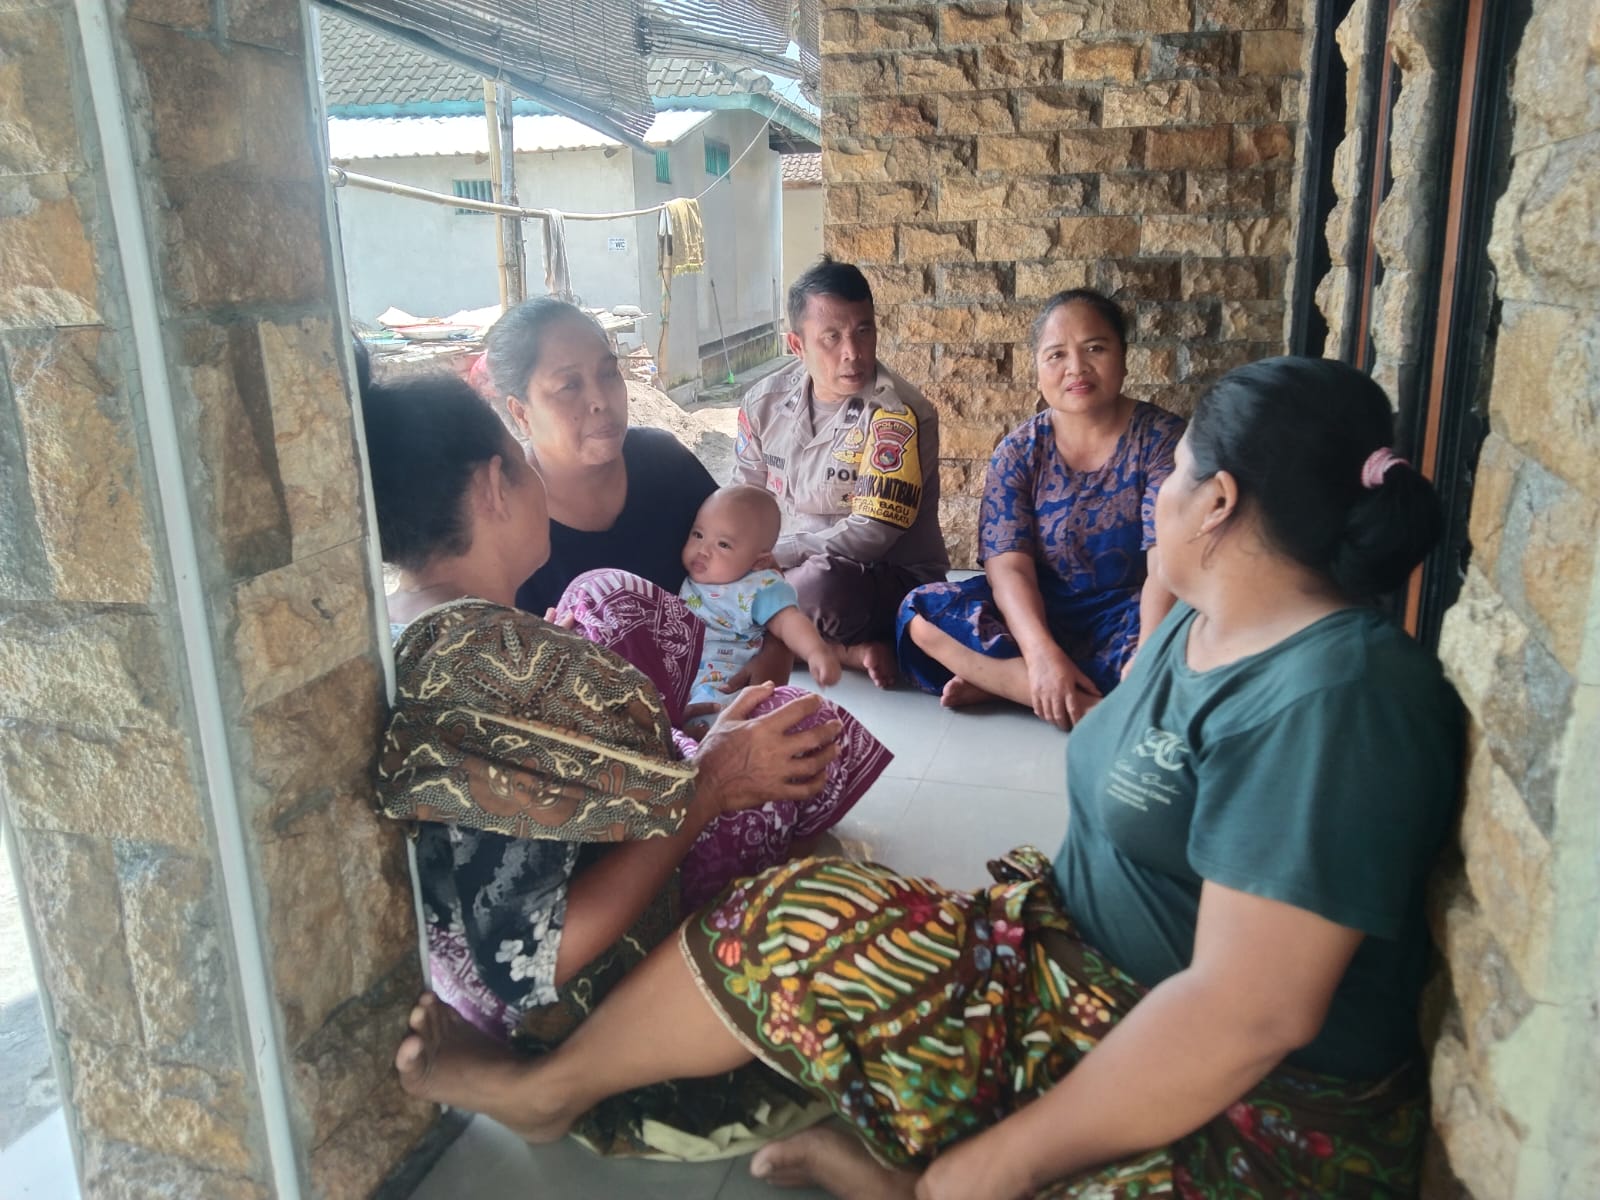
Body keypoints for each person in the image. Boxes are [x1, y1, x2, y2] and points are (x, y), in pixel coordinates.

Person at [393, 356, 1464, 1200]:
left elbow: (1245, 1019)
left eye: (1174, 477)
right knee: (792, 917)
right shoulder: (1203, 622)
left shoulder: (1338, 701)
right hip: (1066, 972)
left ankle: (923, 1169)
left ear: (1218, 502)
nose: (1157, 497)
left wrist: (979, 1175)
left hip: (1253, 1107)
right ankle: (553, 1092)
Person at [365, 371, 890, 1156]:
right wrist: (713, 782)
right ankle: (562, 1085)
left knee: (613, 602)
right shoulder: (510, 666)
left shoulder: (397, 632)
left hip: (469, 981)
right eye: (523, 460)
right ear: (492, 486)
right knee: (837, 898)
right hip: (570, 1007)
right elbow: (535, 955)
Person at [897, 289, 1184, 730]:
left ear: (1124, 358)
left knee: (1192, 640)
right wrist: (1041, 653)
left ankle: (1006, 683)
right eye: (1056, 355)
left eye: (1095, 348)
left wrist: (1149, 650)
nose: (1076, 368)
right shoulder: (1018, 451)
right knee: (921, 615)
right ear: (1037, 369)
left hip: (1132, 610)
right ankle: (1087, 709)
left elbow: (1167, 559)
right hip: (1043, 607)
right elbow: (1008, 567)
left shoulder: (1164, 440)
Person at [482, 296, 792, 690]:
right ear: (521, 412)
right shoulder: (504, 529)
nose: (601, 400)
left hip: (722, 701)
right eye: (569, 385)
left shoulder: (666, 465)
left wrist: (777, 649)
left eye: (609, 373)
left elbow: (758, 565)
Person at [733, 257, 949, 687]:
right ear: (797, 345)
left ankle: (778, 638)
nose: (853, 352)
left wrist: (778, 557)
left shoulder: (897, 413)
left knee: (819, 586)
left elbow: (872, 535)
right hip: (780, 568)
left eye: (863, 331)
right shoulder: (763, 404)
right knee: (706, 573)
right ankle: (839, 651)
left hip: (875, 578)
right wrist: (740, 556)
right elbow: (743, 499)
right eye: (832, 337)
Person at [680, 485, 841, 727]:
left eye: (723, 545)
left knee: (708, 724)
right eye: (698, 534)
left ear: (759, 561)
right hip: (680, 677)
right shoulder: (697, 579)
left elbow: (788, 621)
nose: (703, 550)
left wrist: (815, 651)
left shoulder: (757, 586)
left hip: (723, 686)